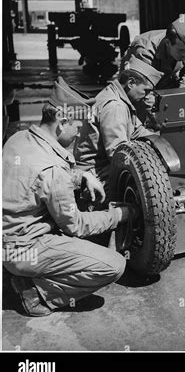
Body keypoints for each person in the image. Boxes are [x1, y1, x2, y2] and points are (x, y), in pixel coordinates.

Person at [2, 81, 134, 317]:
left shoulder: (18, 138)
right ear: (62, 124)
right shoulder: (53, 170)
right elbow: (76, 226)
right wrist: (118, 215)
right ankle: (35, 291)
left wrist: (80, 176)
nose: (80, 133)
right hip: (24, 250)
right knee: (114, 265)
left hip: (6, 238)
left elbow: (35, 179)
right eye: (79, 126)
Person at [74, 55, 162, 190]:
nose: (147, 96)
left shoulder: (116, 95)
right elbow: (118, 155)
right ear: (131, 83)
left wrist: (160, 140)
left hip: (99, 166)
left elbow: (136, 129)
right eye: (146, 90)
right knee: (149, 182)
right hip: (96, 172)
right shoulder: (115, 107)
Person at [120, 14, 185, 89]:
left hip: (165, 81)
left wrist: (182, 92)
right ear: (167, 42)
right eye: (180, 50)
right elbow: (140, 89)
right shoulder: (145, 51)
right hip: (137, 85)